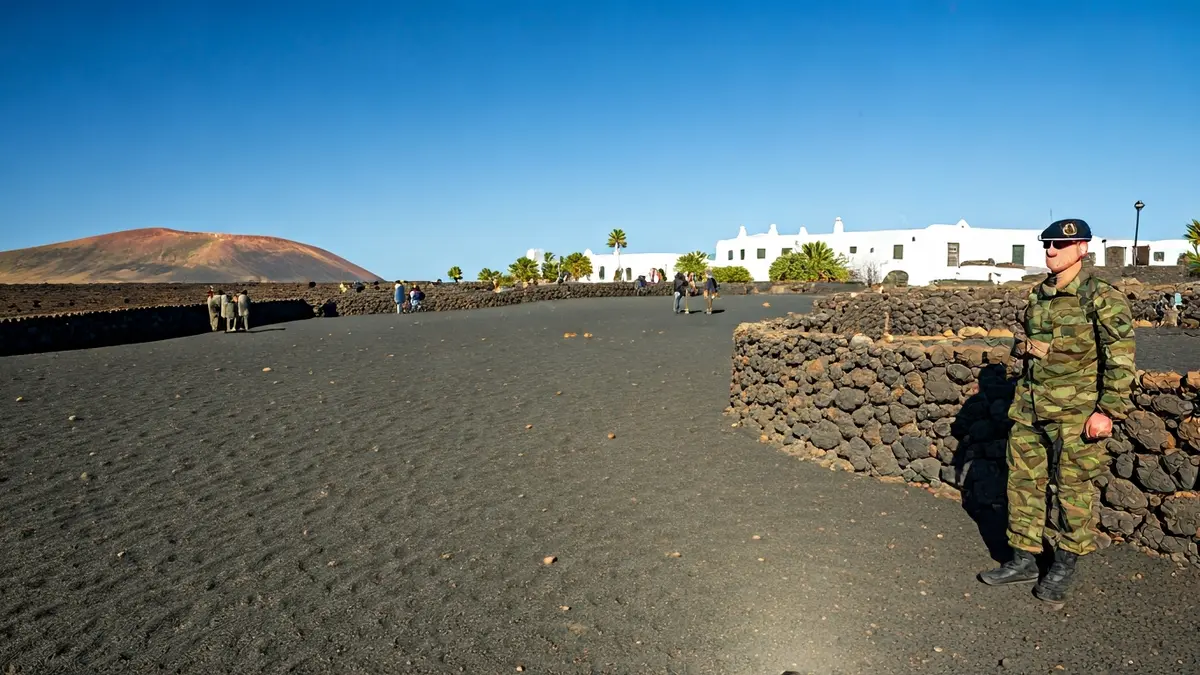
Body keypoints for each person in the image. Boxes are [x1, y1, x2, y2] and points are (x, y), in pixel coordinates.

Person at [979, 218, 1135, 609]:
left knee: (1073, 491)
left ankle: (1064, 565)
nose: (1050, 251)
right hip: (1030, 408)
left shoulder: (1102, 296)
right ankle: (1023, 559)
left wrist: (1107, 410)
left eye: (1060, 245)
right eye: (1046, 244)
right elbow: (1036, 346)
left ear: (1082, 248)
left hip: (1075, 413)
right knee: (1023, 484)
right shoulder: (1039, 294)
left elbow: (1120, 358)